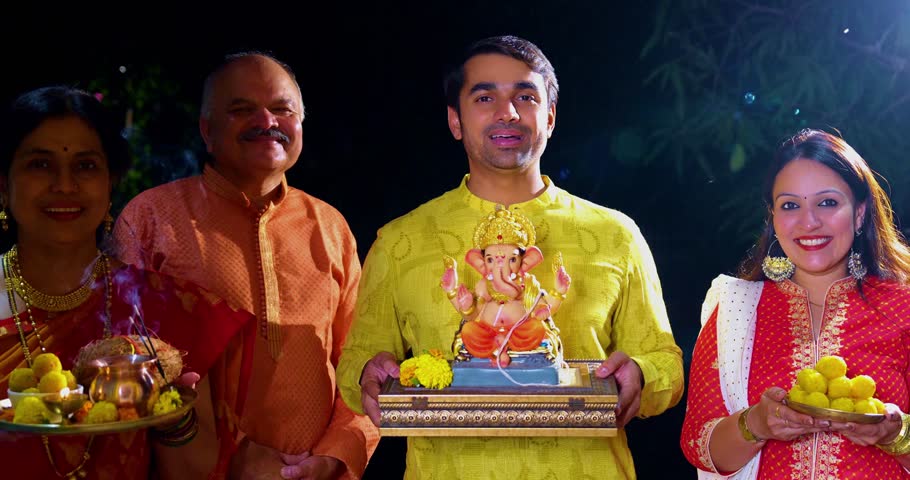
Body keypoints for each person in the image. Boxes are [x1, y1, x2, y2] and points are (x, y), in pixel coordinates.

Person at [337, 35, 685, 479]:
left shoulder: (615, 234)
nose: (509, 113)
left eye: (526, 96)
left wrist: (640, 373)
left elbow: (665, 363)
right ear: (455, 120)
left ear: (550, 116)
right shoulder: (401, 240)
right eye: (485, 97)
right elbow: (356, 363)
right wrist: (369, 374)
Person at [114, 52, 378, 480]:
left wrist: (336, 455)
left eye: (282, 109)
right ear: (206, 130)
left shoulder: (329, 226)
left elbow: (360, 362)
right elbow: (125, 369)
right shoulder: (150, 219)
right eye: (241, 110)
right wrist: (235, 457)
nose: (266, 121)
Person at [0, 86, 253, 479]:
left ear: (110, 182)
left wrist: (172, 419)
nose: (64, 185)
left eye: (85, 166)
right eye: (39, 164)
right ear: (3, 185)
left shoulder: (161, 307)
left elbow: (195, 472)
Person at [681, 129, 910, 478]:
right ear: (773, 216)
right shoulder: (737, 309)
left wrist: (898, 434)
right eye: (790, 205)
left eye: (828, 202)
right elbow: (699, 445)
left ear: (860, 212)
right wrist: (756, 423)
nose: (809, 222)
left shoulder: (902, 306)